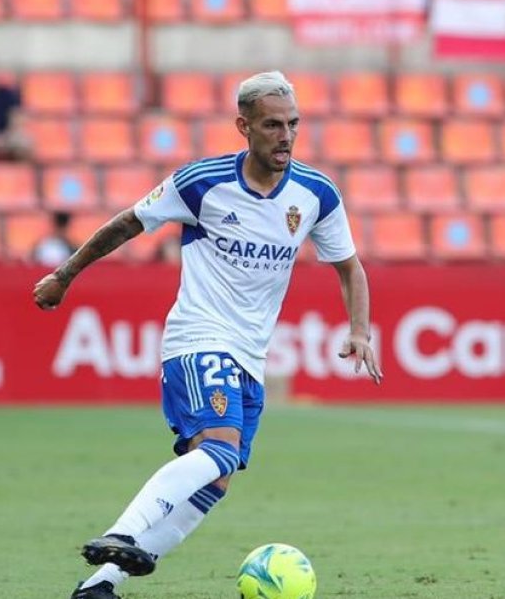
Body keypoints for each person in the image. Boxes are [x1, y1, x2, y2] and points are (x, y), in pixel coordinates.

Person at [32, 71, 382, 599]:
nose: (285, 136)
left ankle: (100, 586)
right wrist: (64, 274)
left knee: (216, 481)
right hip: (198, 338)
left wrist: (360, 330)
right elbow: (127, 223)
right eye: (271, 125)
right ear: (244, 126)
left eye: (292, 124)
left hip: (250, 356)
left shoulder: (315, 194)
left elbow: (350, 267)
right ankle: (121, 534)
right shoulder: (202, 182)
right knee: (217, 451)